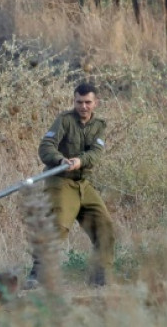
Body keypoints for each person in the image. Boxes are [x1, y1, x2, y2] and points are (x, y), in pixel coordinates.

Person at [28, 82, 115, 288]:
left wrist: (80, 161)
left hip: (82, 183)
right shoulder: (64, 120)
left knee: (104, 226)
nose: (83, 107)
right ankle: (37, 274)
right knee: (57, 227)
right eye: (79, 102)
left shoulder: (100, 125)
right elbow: (46, 147)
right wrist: (60, 160)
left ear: (96, 103)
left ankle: (99, 277)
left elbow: (95, 153)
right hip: (60, 181)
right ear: (74, 101)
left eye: (87, 102)